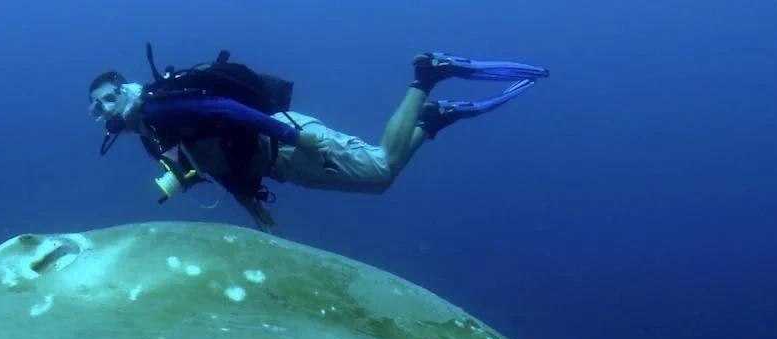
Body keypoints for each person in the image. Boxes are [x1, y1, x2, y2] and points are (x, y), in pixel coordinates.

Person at [88, 47, 548, 231]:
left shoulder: (160, 109)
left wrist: (297, 138)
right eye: (97, 108)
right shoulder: (154, 135)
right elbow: (215, 161)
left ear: (123, 90)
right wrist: (255, 210)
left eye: (108, 99)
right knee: (380, 181)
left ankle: (425, 79)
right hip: (282, 163)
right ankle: (429, 121)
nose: (104, 111)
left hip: (291, 143)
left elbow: (226, 111)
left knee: (383, 167)